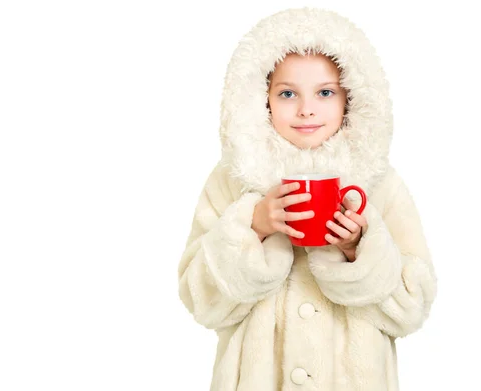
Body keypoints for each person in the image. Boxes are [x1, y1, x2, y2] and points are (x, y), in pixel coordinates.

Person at [177, 7, 437, 391]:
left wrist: (358, 250)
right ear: (260, 98)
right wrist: (253, 227)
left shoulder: (379, 185)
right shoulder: (232, 181)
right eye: (286, 93)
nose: (306, 109)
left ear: (352, 97)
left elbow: (411, 309)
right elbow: (201, 301)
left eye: (325, 92)